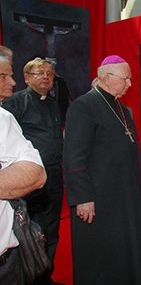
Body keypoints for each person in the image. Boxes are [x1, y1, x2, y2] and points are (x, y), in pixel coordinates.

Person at [62, 55, 141, 285]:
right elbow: (73, 156)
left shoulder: (123, 109)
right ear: (105, 77)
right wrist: (83, 197)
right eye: (126, 79)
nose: (130, 84)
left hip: (125, 195)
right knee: (101, 258)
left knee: (126, 251)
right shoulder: (83, 106)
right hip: (98, 199)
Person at [2, 57, 64, 285]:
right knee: (32, 232)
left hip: (54, 178)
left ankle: (46, 276)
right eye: (40, 73)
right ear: (27, 78)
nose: (46, 77)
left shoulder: (52, 103)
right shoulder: (14, 104)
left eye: (49, 73)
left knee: (52, 230)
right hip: (28, 184)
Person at [0, 52, 47, 285]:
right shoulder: (14, 104)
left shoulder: (3, 117)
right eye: (4, 76)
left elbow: (35, 173)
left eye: (50, 74)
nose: (12, 82)